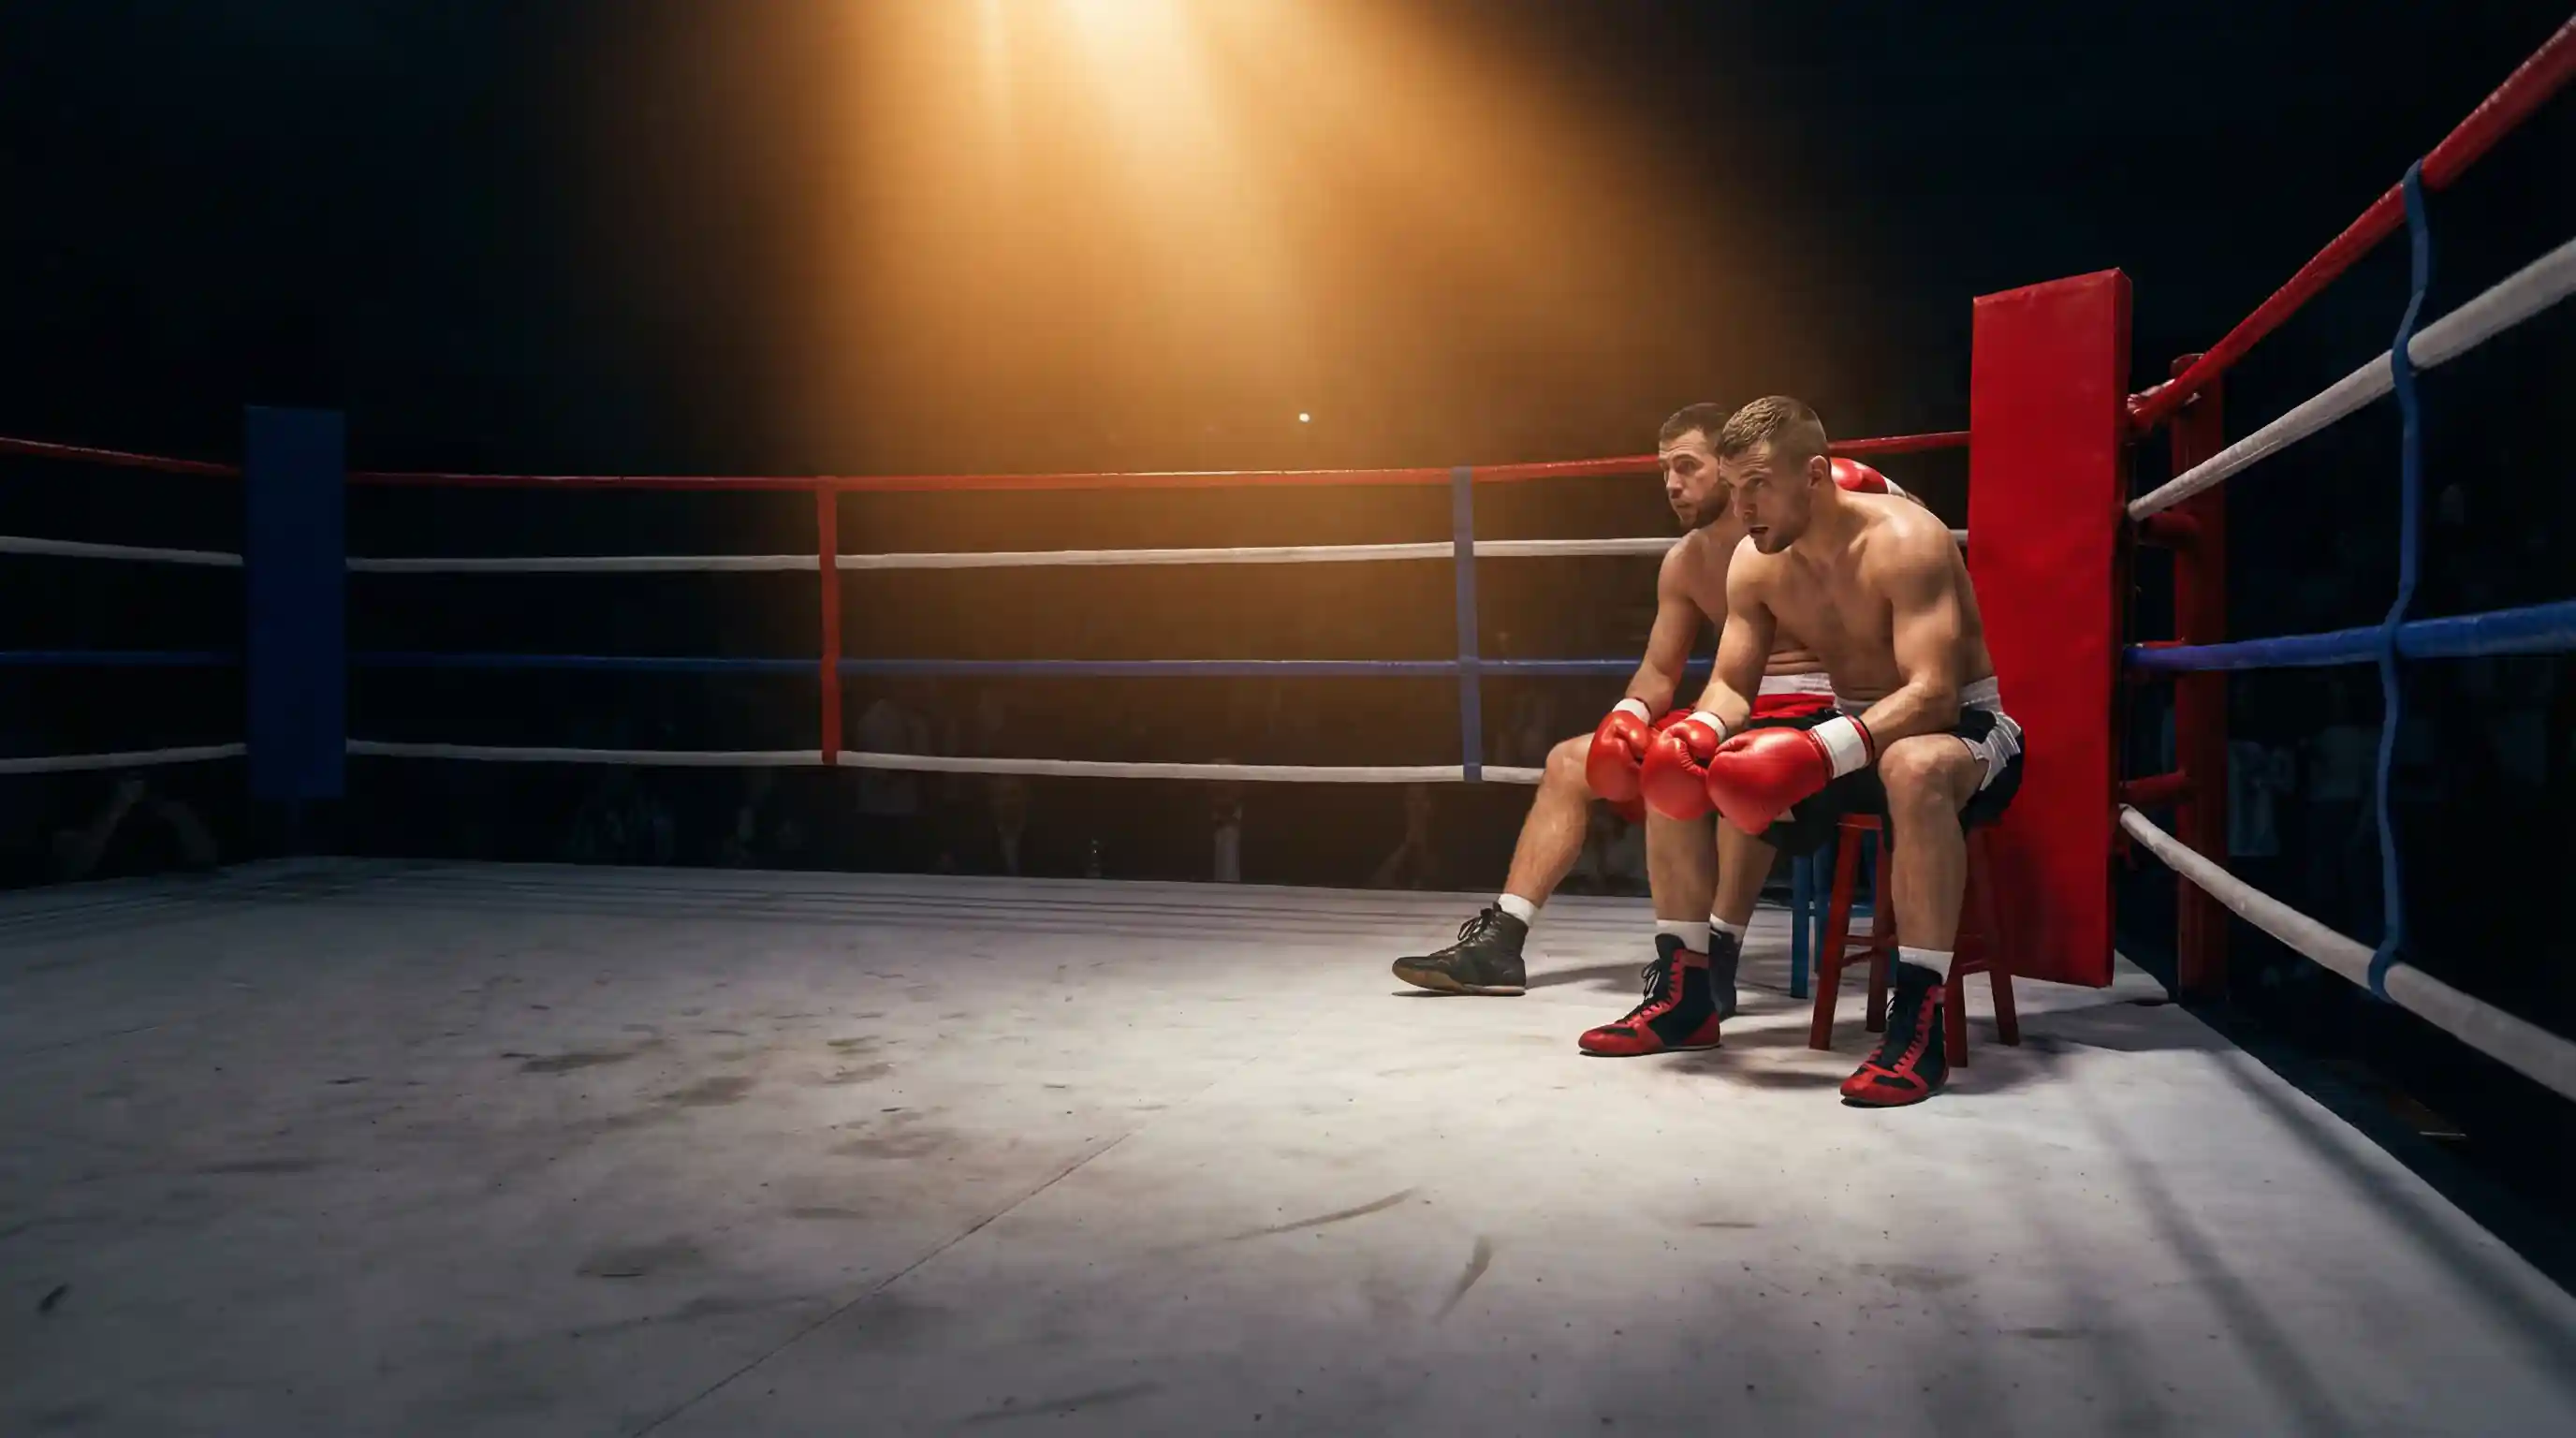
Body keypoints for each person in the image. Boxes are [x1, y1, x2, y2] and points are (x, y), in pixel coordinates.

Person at [1391, 402, 1915, 1061]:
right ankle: (1502, 941)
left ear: (1731, 470)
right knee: (1570, 761)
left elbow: (1907, 544)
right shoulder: (1689, 562)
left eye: (1687, 468)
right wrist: (1628, 720)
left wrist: (1881, 490)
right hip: (1733, 708)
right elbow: (1656, 675)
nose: (1671, 485)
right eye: (1664, 471)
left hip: (1817, 710)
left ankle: (1715, 955)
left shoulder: (1817, 514)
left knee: (1727, 771)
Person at [1641, 396, 2022, 1108]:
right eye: (1736, 486)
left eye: (1759, 484)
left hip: (1964, 736)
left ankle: (1920, 1021)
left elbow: (1935, 693)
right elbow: (1729, 684)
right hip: (1850, 739)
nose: (1743, 505)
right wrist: (1699, 734)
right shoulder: (1756, 566)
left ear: (1815, 474)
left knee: (1912, 766)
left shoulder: (1907, 540)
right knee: (1675, 764)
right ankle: (1688, 993)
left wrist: (1821, 750)